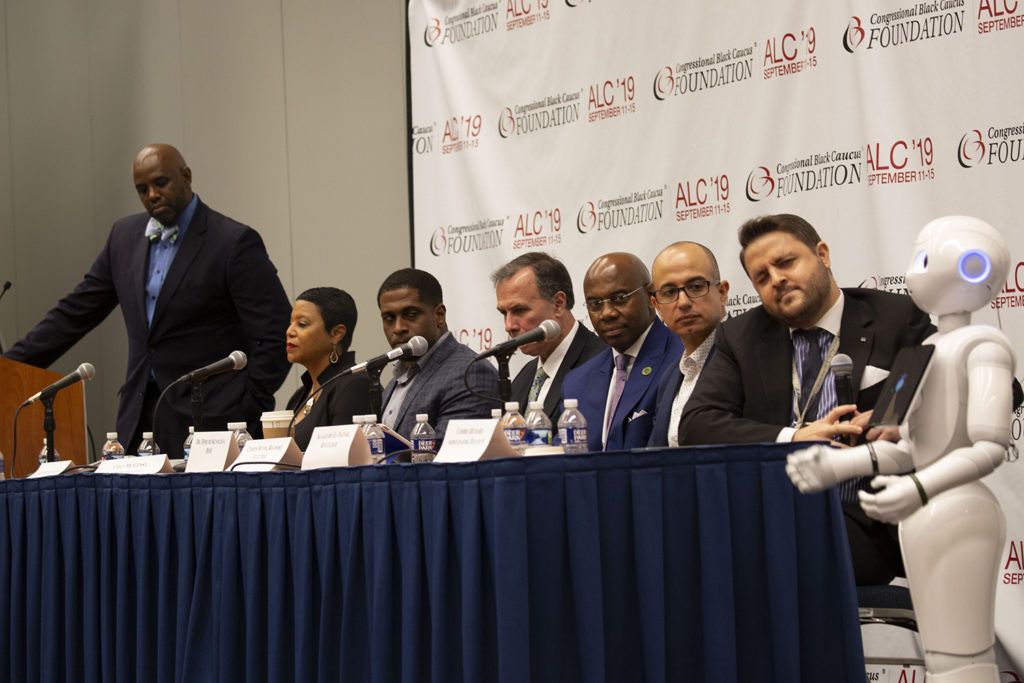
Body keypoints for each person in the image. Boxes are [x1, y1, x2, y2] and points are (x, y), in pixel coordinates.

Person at [679, 213, 935, 585]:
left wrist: (896, 416)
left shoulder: (894, 317)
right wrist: (796, 437)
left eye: (786, 263)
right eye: (762, 277)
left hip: (871, 521)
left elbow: (993, 388)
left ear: (823, 255)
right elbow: (697, 424)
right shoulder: (741, 336)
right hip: (774, 511)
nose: (777, 279)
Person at [4, 143, 291, 458]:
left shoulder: (231, 242)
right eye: (142, 189)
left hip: (211, 416)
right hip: (140, 414)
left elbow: (275, 330)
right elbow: (74, 314)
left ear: (186, 176)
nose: (152, 194)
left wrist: (247, 400)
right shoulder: (124, 237)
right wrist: (7, 367)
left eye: (161, 183)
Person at [562, 253, 683, 451]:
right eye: (595, 304)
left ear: (649, 296)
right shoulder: (576, 383)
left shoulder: (680, 361)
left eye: (619, 298)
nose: (607, 313)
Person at [377, 268, 498, 442]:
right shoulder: (395, 380)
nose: (398, 327)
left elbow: (452, 460)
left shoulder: (470, 373)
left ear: (439, 315)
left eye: (410, 315)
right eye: (389, 318)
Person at [491, 252, 606, 423]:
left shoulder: (603, 363)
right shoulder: (525, 377)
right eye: (504, 313)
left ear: (558, 304)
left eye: (520, 310)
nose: (509, 326)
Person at [647, 242, 729, 447]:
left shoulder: (743, 358)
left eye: (696, 287)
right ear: (657, 307)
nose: (683, 302)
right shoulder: (670, 376)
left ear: (722, 293)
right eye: (669, 292)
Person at [284, 287, 371, 451]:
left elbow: (344, 461)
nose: (289, 331)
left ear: (336, 333)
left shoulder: (354, 386)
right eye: (291, 323)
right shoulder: (298, 396)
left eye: (302, 324)